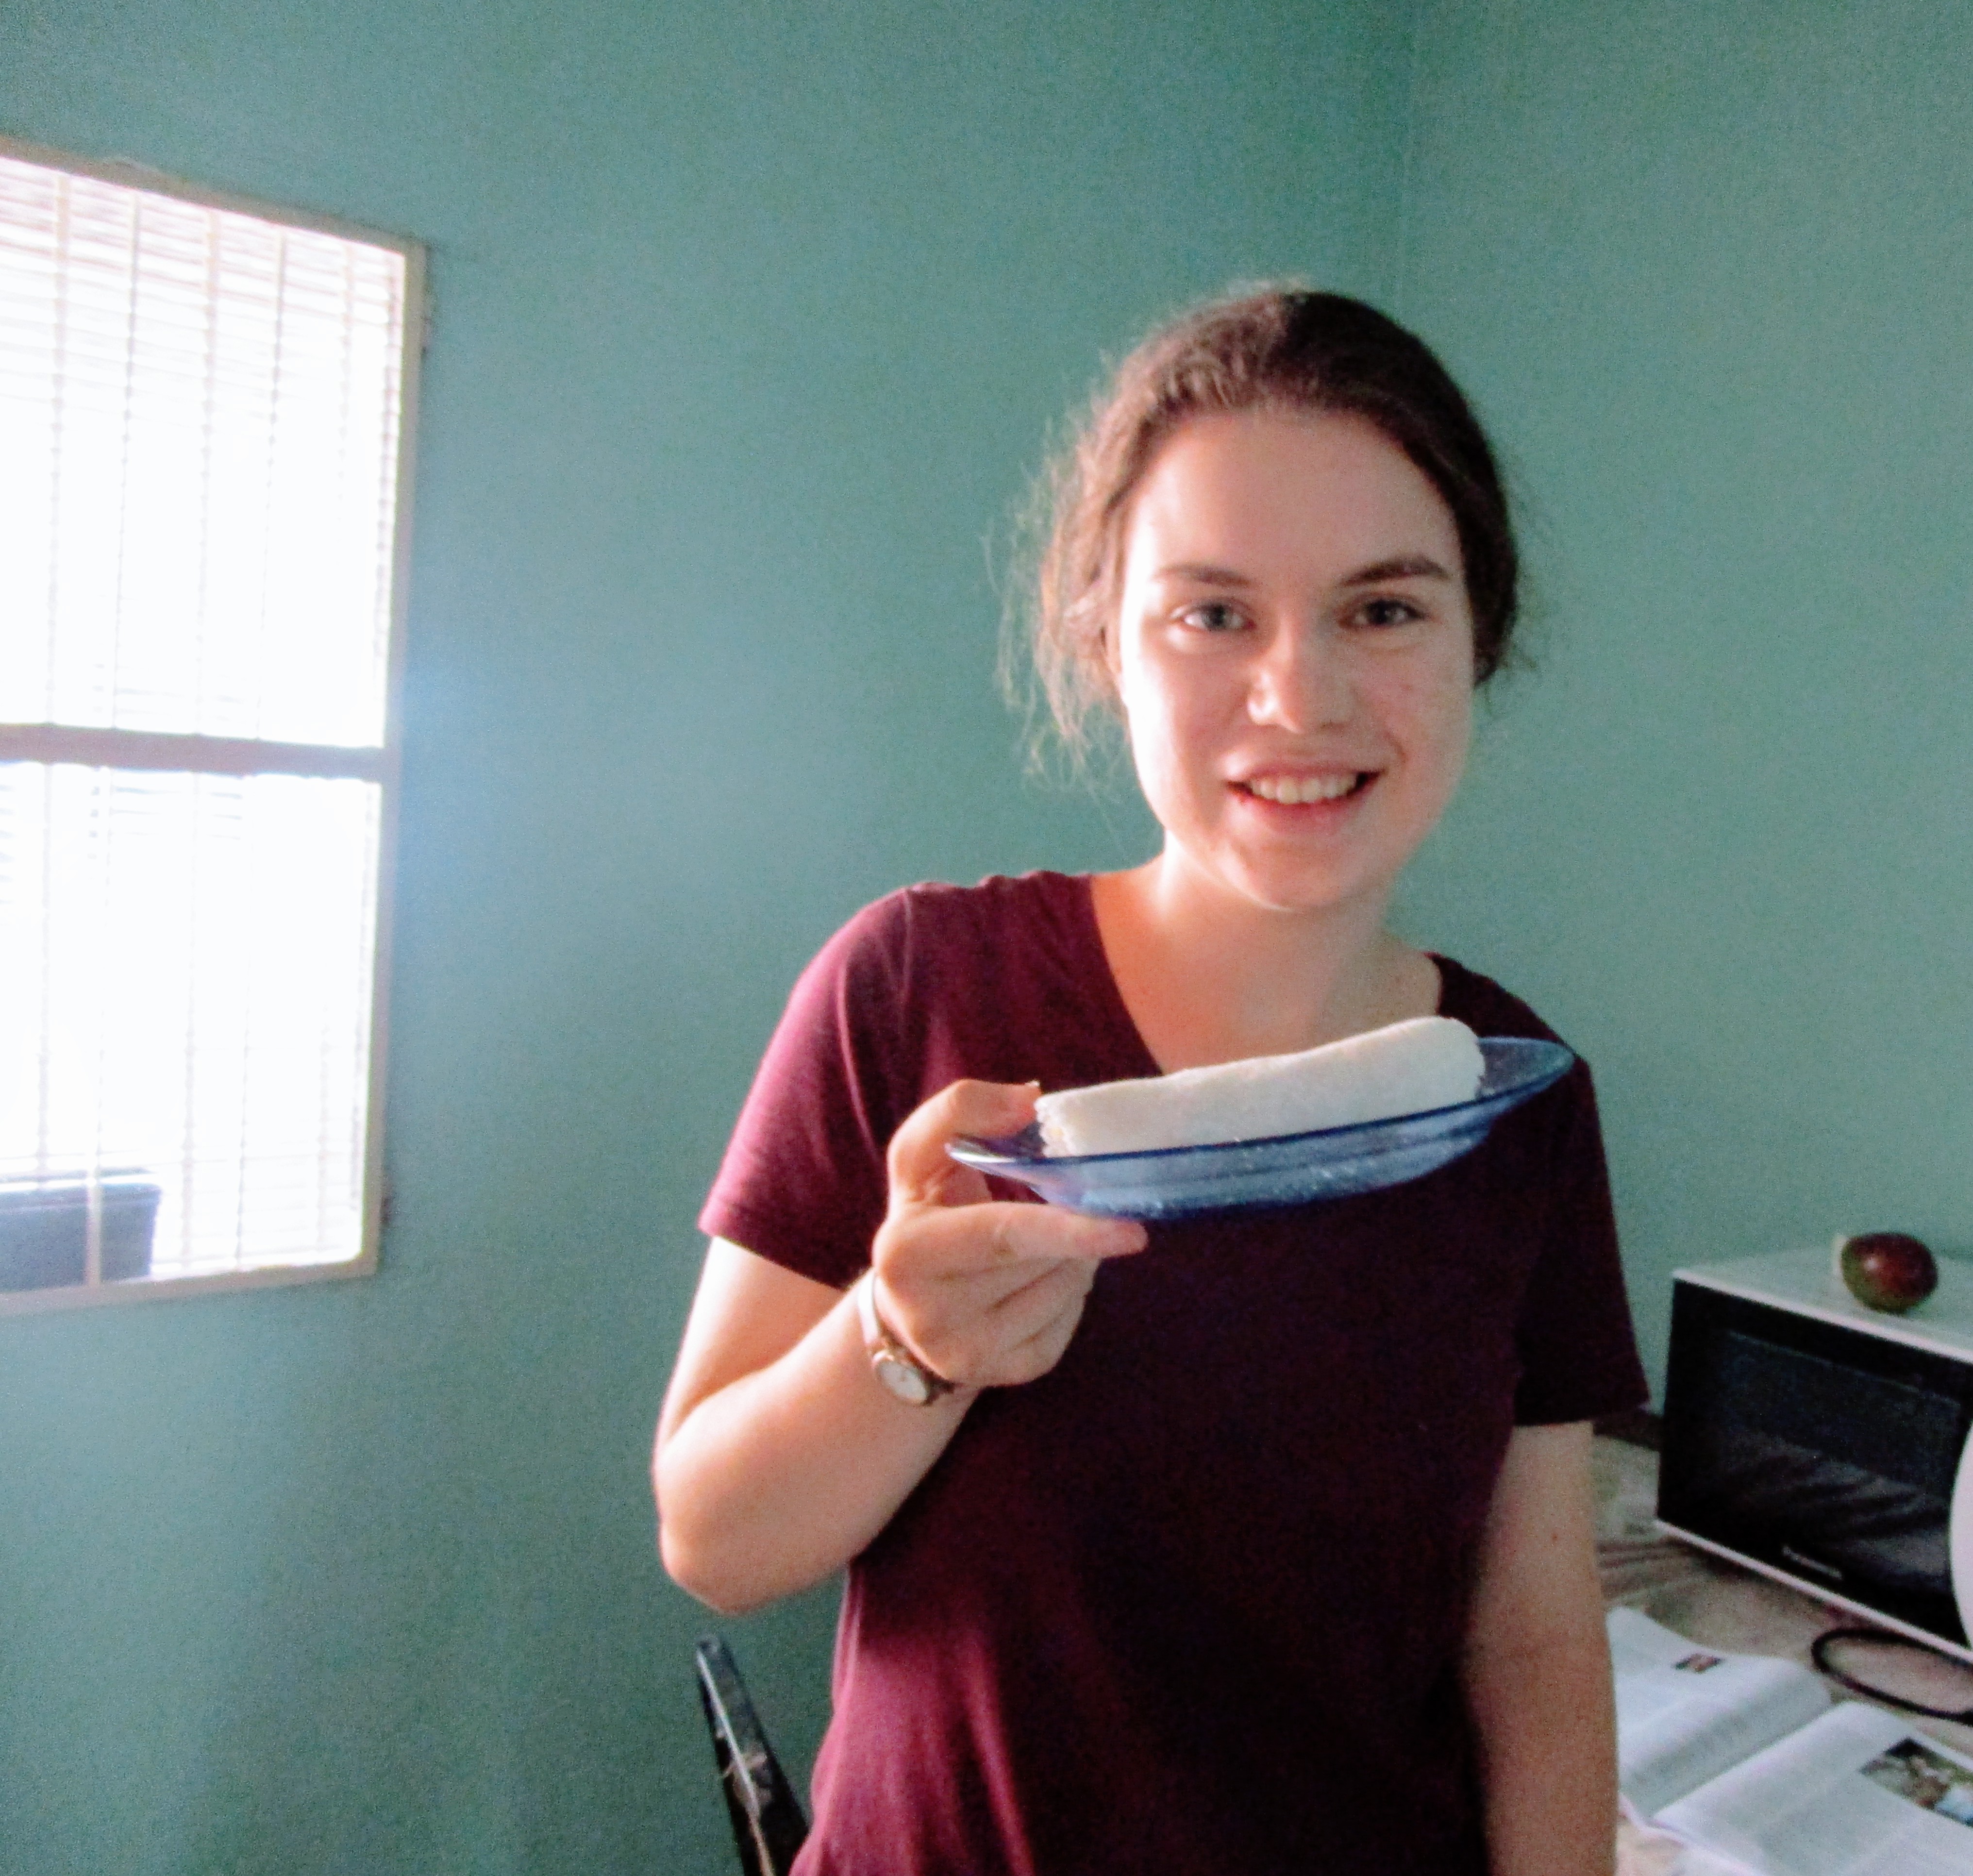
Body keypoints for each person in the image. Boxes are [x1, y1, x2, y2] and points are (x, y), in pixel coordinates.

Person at [653, 287, 1647, 1876]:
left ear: (1480, 641)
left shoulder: (1517, 1101)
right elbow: (710, 1540)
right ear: (1104, 645)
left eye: (1384, 610)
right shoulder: (915, 988)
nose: (1302, 698)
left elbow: (1529, 1646)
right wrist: (903, 1345)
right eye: (1214, 614)